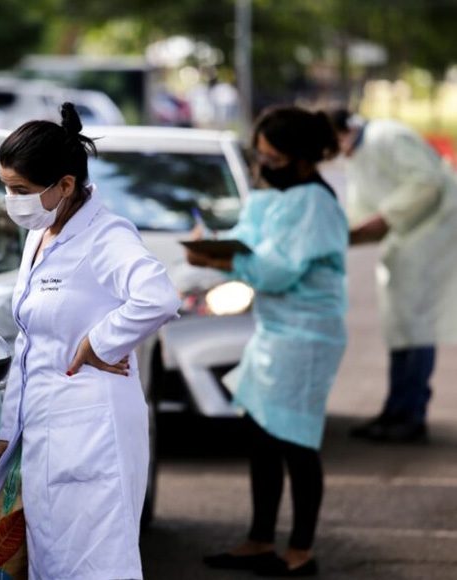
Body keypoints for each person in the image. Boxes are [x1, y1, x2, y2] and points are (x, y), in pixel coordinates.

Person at [0, 103, 181, 580]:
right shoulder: (41, 234)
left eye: (21, 190)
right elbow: (30, 340)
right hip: (44, 431)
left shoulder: (107, 236)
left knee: (96, 564)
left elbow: (158, 298)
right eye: (6, 187)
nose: (11, 200)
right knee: (52, 561)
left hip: (93, 433)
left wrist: (101, 342)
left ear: (66, 185)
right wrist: (10, 428)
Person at [187, 106, 348, 577]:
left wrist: (220, 262)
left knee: (296, 439)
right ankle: (259, 540)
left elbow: (277, 271)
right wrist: (213, 243)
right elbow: (247, 238)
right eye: (260, 155)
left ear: (302, 158)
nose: (264, 165)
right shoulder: (275, 194)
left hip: (307, 334)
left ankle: (300, 551)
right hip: (274, 330)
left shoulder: (314, 201)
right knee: (261, 435)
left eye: (273, 157)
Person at [328, 109, 457, 443]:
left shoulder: (386, 136)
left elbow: (427, 183)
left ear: (343, 132)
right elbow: (362, 213)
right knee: (401, 328)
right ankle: (396, 409)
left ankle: (411, 413)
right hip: (406, 242)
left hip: (431, 237)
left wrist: (384, 219)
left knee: (417, 328)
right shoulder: (359, 154)